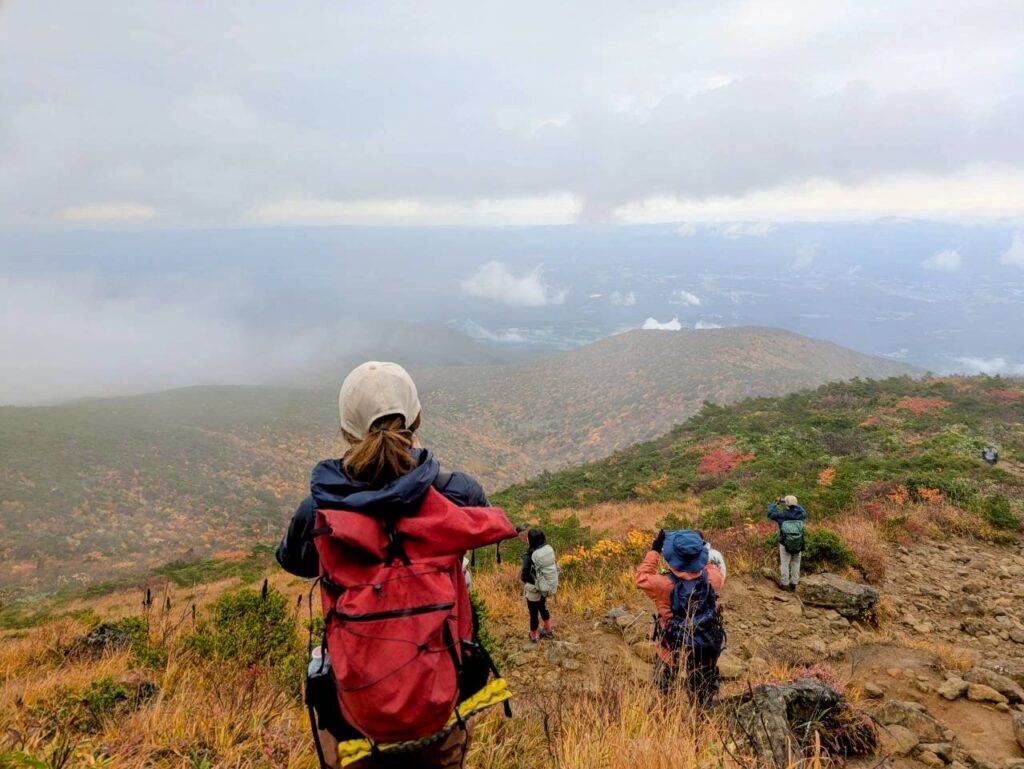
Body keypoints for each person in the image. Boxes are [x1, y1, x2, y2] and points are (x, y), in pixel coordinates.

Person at [276, 361, 517, 769]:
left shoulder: (318, 512)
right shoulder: (458, 493)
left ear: (347, 431)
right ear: (416, 418)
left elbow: (294, 562)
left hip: (355, 720)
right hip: (440, 707)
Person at [635, 529, 726, 707]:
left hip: (671, 643)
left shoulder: (662, 584)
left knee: (665, 684)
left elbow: (641, 577)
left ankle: (666, 709)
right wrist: (698, 546)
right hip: (704, 642)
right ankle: (702, 711)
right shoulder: (714, 578)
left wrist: (655, 550)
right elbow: (711, 566)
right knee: (702, 688)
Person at [519, 528, 558, 641]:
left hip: (533, 589)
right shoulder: (547, 550)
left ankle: (534, 635)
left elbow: (524, 576)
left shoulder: (529, 556)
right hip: (545, 585)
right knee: (543, 607)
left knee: (533, 613)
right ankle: (548, 628)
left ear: (531, 540)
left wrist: (532, 582)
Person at [768, 495, 807, 591]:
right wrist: (796, 504)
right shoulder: (801, 515)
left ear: (786, 504)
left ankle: (785, 584)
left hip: (784, 542)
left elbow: (770, 513)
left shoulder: (781, 515)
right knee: (796, 563)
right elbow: (804, 512)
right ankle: (794, 584)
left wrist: (776, 503)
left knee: (785, 563)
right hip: (798, 543)